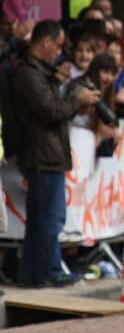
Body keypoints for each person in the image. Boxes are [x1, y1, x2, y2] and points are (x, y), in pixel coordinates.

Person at [12, 20, 101, 287]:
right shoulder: (28, 74)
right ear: (46, 42)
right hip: (42, 153)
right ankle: (49, 270)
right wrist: (78, 100)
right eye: (58, 46)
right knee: (50, 217)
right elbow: (51, 111)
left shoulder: (38, 72)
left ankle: (31, 273)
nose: (60, 52)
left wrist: (59, 83)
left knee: (40, 217)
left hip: (46, 152)